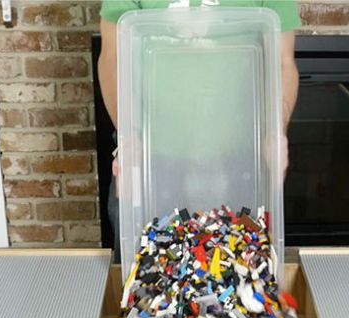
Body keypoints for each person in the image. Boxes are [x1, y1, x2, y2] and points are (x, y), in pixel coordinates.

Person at [97, 0, 300, 257]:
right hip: (151, 154)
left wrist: (276, 131)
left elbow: (282, 62)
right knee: (145, 270)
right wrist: (128, 135)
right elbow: (113, 58)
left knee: (241, 267)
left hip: (241, 157)